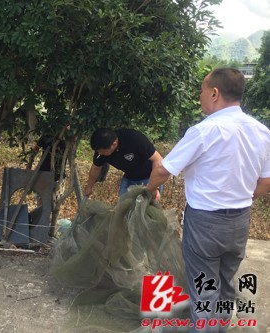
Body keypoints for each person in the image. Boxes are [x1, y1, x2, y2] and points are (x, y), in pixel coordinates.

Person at [146, 68, 270, 332]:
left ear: (214, 93)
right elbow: (266, 182)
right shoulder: (262, 132)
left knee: (204, 290)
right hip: (239, 221)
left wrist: (148, 191)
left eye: (202, 90)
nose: (200, 96)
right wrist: (240, 198)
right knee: (225, 284)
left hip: (205, 222)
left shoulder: (204, 130)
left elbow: (162, 170)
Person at [83, 128, 163, 198]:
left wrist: (155, 187)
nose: (99, 154)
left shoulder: (135, 139)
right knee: (124, 209)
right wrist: (89, 187)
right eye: (98, 151)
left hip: (149, 178)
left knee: (145, 211)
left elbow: (158, 160)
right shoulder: (101, 149)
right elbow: (96, 168)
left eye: (102, 151)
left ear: (114, 144)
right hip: (129, 178)